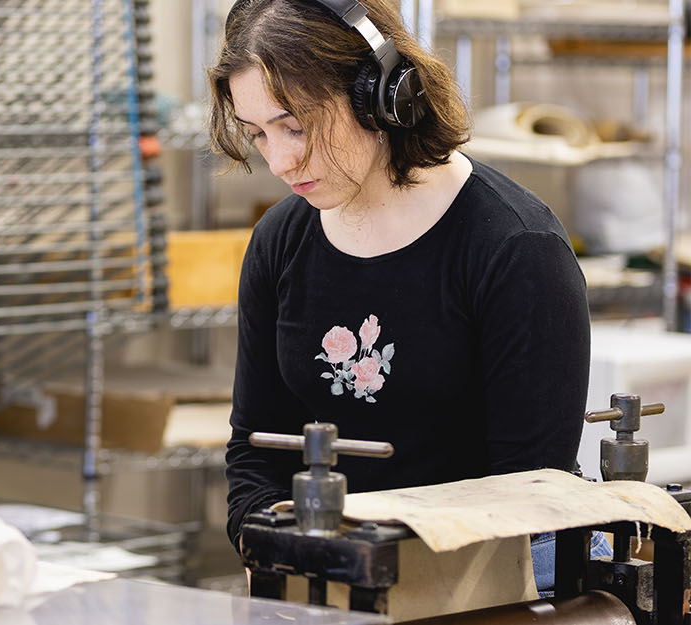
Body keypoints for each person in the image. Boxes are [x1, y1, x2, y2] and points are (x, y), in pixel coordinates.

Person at [209, 0, 603, 594]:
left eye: (297, 126)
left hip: (502, 573)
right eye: (259, 133)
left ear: (383, 96)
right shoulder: (280, 240)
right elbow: (255, 452)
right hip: (347, 569)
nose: (281, 160)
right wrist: (270, 545)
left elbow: (527, 490)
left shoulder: (516, 247)